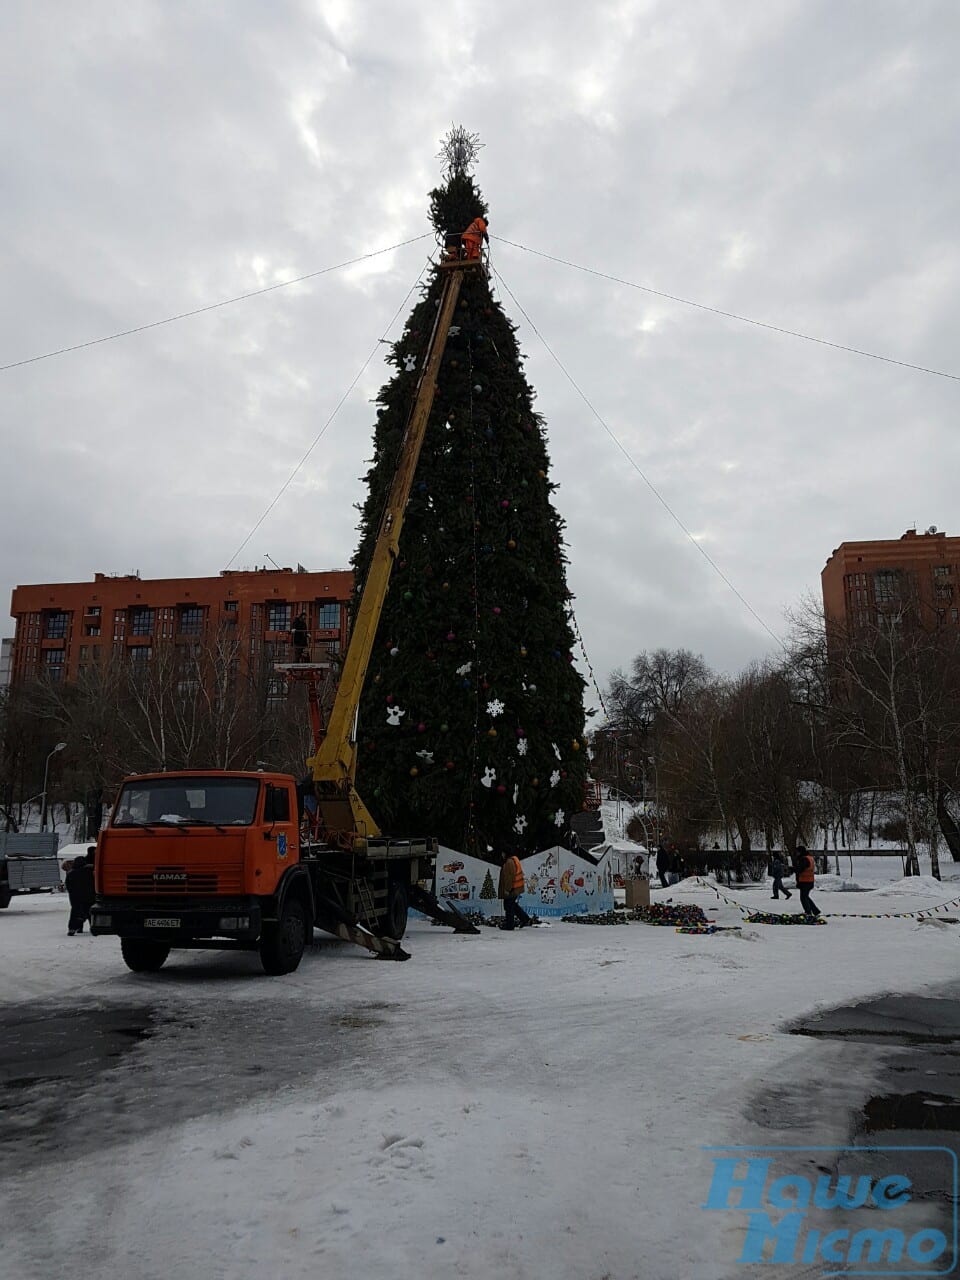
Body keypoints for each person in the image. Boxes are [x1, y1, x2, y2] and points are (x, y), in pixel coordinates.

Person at [498, 850, 531, 930]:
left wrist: (507, 889)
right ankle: (525, 919)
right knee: (512, 905)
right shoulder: (513, 860)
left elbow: (510, 877)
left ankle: (510, 925)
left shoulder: (509, 862)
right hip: (515, 888)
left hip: (512, 889)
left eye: (503, 853)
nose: (502, 854)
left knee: (508, 906)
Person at [65, 851, 96, 936]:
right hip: (90, 896)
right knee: (90, 913)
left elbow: (68, 886)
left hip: (76, 898)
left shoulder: (71, 873)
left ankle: (74, 928)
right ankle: (93, 927)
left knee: (75, 912)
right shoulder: (90, 871)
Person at [793, 844, 820, 917]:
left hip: (805, 881)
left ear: (800, 852)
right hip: (810, 881)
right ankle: (815, 910)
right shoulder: (809, 858)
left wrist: (793, 869)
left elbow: (800, 869)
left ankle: (808, 912)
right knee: (806, 897)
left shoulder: (803, 859)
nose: (797, 853)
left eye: (797, 852)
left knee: (803, 898)